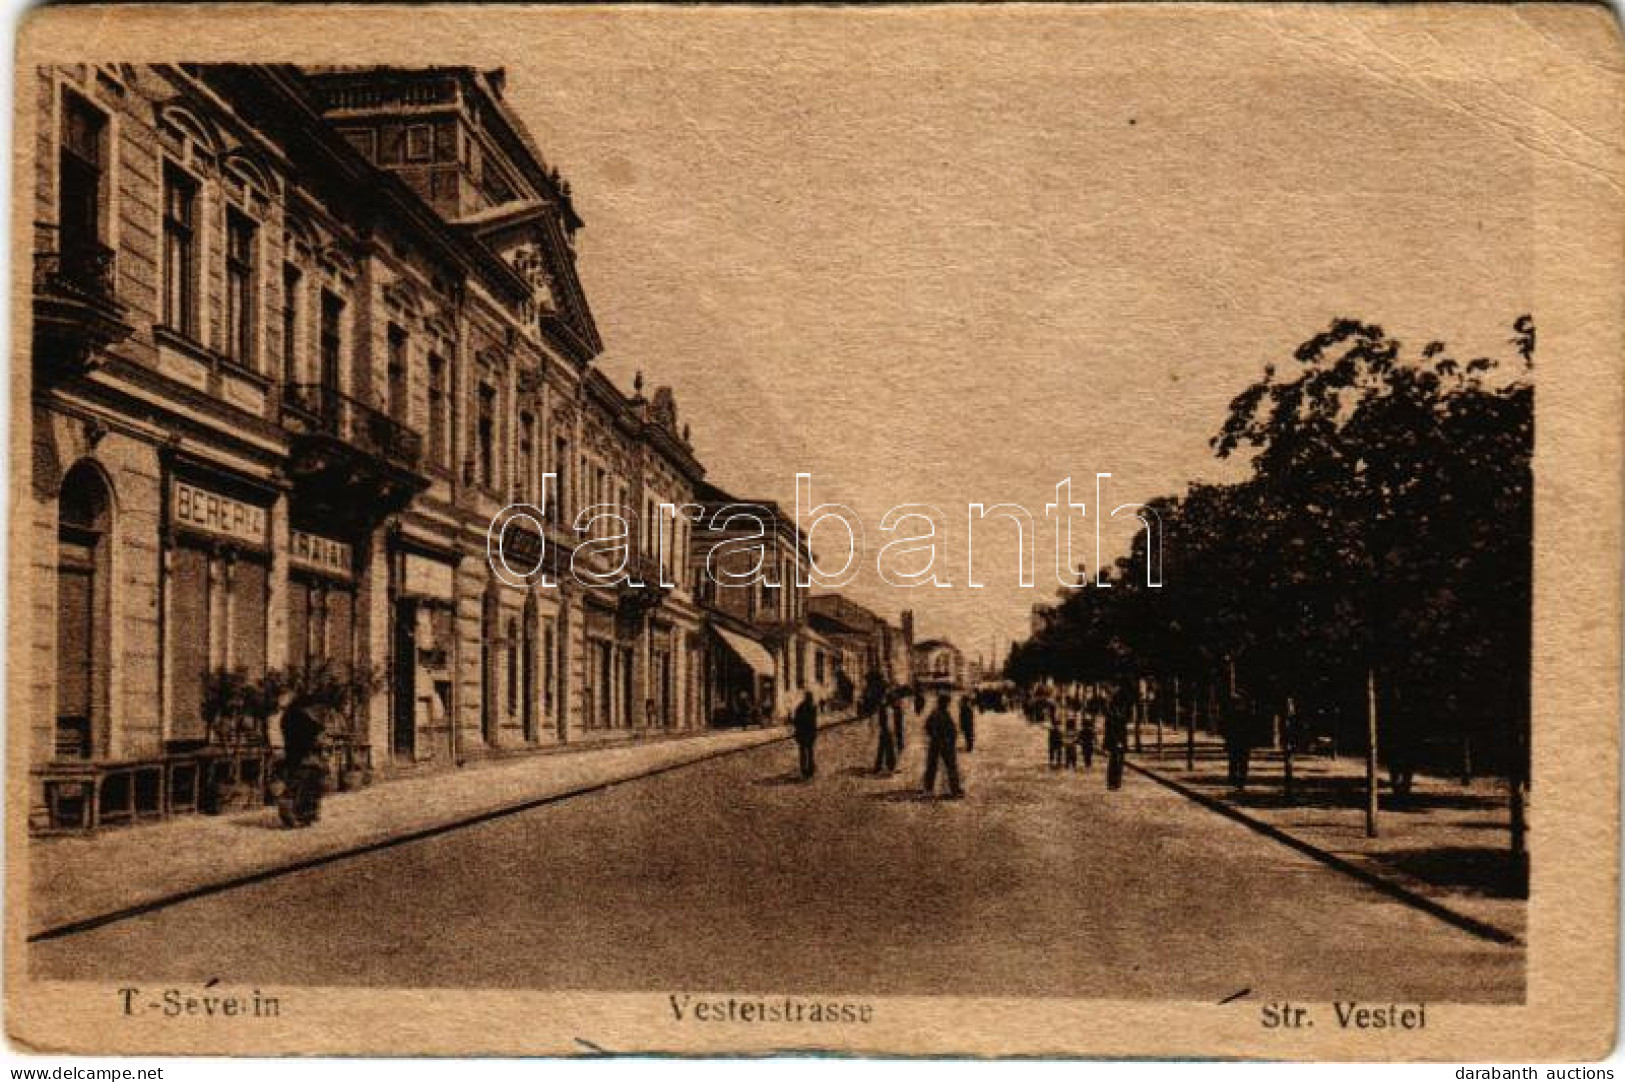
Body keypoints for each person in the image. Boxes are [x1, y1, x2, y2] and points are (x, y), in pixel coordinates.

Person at [278, 693, 325, 828]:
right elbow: (315, 729)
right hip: (304, 755)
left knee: (295, 784)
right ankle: (304, 814)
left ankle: (295, 815)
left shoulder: (287, 716)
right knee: (307, 784)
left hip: (293, 754)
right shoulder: (302, 716)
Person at [923, 693, 963, 797]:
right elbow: (928, 727)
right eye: (947, 702)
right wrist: (939, 737)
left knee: (933, 766)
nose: (948, 704)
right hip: (943, 743)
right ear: (944, 703)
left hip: (938, 743)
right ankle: (954, 789)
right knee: (950, 766)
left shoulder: (938, 713)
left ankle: (929, 788)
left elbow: (927, 726)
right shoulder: (940, 714)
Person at [792, 691, 820, 779]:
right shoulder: (813, 707)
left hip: (802, 733)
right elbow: (813, 722)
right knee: (810, 751)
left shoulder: (800, 707)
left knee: (803, 752)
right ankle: (810, 769)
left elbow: (796, 721)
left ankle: (804, 769)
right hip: (809, 732)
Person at [874, 697, 899, 775]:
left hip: (886, 730)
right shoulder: (886, 709)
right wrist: (888, 731)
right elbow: (885, 722)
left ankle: (878, 767)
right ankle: (890, 767)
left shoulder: (887, 708)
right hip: (887, 731)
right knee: (889, 748)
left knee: (882, 749)